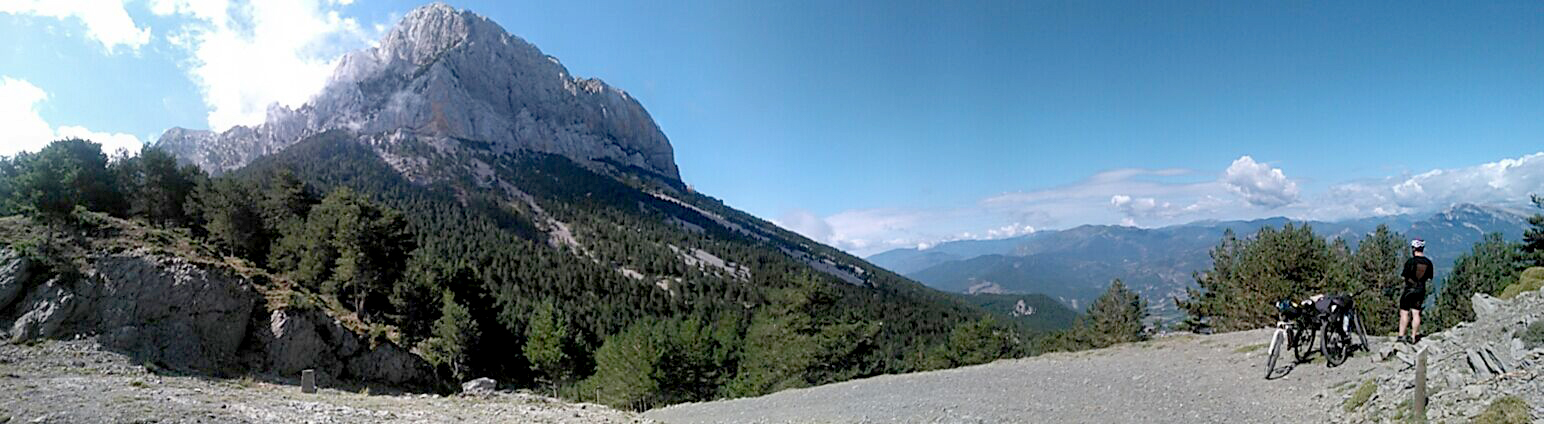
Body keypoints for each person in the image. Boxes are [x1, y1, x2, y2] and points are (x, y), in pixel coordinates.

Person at [1398, 239, 1434, 344]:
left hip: (1409, 289)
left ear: (1413, 248)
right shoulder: (1428, 262)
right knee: (1416, 313)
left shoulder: (1410, 262)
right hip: (1421, 290)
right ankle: (1414, 336)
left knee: (1404, 312)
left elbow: (1404, 276)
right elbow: (1429, 277)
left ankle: (1401, 336)